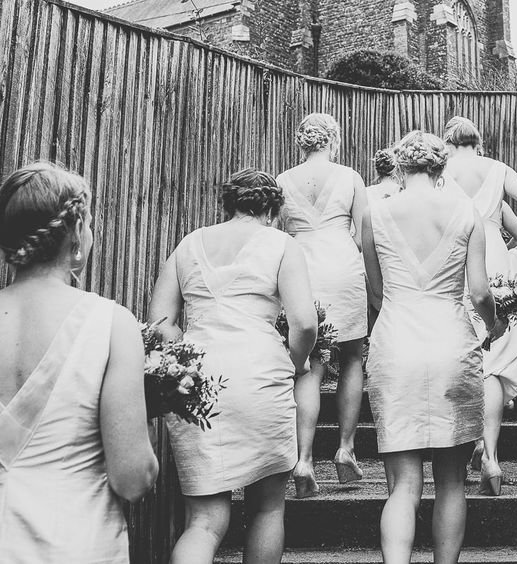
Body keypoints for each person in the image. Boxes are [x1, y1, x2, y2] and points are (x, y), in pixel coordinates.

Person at [149, 169, 317, 564]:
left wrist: (190, 357)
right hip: (260, 375)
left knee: (204, 522)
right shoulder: (282, 244)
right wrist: (292, 365)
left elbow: (160, 325)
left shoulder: (189, 244)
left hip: (196, 385)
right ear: (273, 210)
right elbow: (305, 323)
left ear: (227, 205)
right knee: (267, 508)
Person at [0, 162, 158, 563]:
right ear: (75, 234)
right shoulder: (110, 324)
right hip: (77, 543)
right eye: (88, 223)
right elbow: (132, 479)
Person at [362, 131, 503, 564]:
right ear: (441, 167)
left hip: (395, 341)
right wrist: (495, 327)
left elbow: (375, 290)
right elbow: (479, 292)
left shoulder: (374, 214)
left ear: (400, 167)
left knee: (403, 484)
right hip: (450, 343)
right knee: (451, 482)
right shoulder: (466, 211)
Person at [443, 116, 517, 496]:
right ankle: (491, 457)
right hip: (495, 257)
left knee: (464, 353)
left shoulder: (441, 170)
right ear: (477, 141)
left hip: (456, 258)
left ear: (448, 142)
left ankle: (468, 445)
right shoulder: (497, 168)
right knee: (496, 358)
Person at [276, 113, 369, 497]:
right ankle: (345, 449)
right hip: (343, 268)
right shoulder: (350, 177)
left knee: (309, 366)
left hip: (301, 269)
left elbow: (276, 234)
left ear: (302, 143)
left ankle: (303, 459)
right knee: (351, 357)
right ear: (334, 141)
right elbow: (365, 235)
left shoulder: (282, 180)